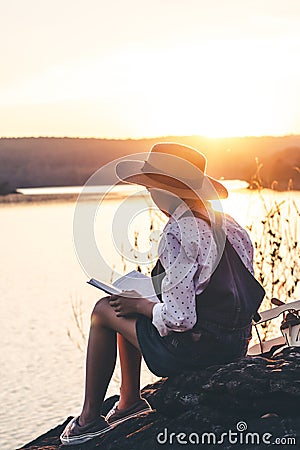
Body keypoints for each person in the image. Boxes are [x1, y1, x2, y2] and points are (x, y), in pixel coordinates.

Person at [60, 143, 265, 446]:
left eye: (151, 188)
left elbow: (181, 318)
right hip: (234, 346)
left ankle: (89, 419)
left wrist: (142, 305)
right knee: (126, 305)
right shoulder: (231, 227)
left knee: (104, 310)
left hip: (197, 351)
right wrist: (141, 304)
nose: (150, 195)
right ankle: (129, 401)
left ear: (165, 192)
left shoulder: (178, 232)